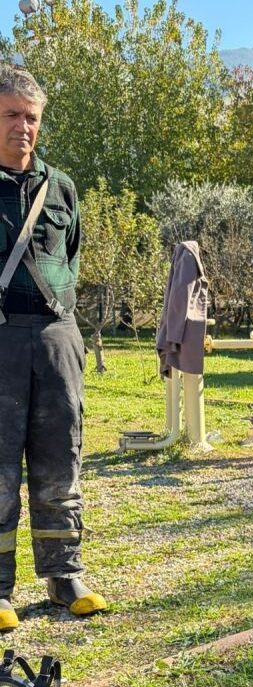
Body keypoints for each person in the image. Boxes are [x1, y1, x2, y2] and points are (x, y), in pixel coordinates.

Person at [0, 66, 107, 632]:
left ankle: (65, 575)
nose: (24, 127)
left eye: (32, 118)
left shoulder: (59, 187)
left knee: (60, 456)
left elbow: (72, 258)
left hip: (56, 338)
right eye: (12, 115)